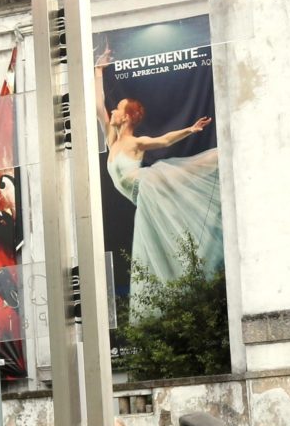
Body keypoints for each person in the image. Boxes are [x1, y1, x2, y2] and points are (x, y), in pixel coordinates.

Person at [95, 47, 225, 282]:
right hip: (142, 197)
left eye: (118, 108)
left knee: (193, 171)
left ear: (126, 117)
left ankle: (224, 157)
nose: (112, 110)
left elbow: (164, 140)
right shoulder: (112, 140)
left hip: (149, 184)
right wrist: (98, 72)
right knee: (164, 240)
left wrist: (190, 129)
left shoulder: (136, 143)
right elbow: (98, 106)